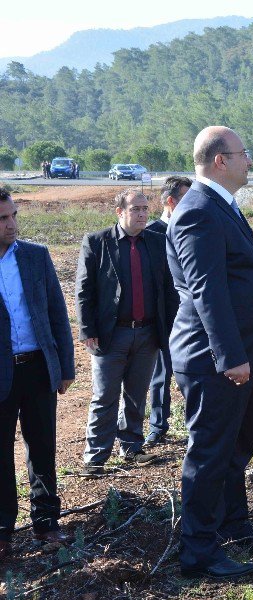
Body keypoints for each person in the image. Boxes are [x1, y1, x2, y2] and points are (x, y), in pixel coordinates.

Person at [168, 126, 253, 578]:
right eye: (243, 154)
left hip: (236, 358)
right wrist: (230, 356)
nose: (249, 161)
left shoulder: (219, 206)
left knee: (237, 445)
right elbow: (207, 292)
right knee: (210, 453)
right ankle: (198, 551)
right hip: (212, 359)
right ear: (220, 161)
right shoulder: (198, 211)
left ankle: (235, 529)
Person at [76, 189, 176, 475]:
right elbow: (84, 291)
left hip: (147, 333)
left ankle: (131, 446)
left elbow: (168, 289)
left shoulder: (157, 241)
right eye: (136, 209)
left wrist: (168, 329)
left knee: (136, 393)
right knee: (105, 395)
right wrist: (87, 329)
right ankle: (95, 456)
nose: (143, 214)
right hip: (111, 334)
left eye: (145, 208)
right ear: (119, 212)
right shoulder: (97, 242)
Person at [0, 187, 75, 559]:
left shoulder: (35, 257)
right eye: (3, 218)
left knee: (43, 447)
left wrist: (64, 367)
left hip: (37, 367)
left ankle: (47, 524)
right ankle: (3, 530)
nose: (11, 224)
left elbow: (58, 315)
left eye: (13, 215)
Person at [143, 176, 191, 448]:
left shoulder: (192, 229)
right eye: (186, 199)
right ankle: (157, 427)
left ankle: (194, 424)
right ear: (171, 202)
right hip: (162, 318)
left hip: (189, 317)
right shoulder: (152, 235)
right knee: (160, 375)